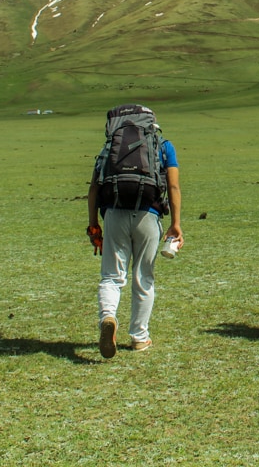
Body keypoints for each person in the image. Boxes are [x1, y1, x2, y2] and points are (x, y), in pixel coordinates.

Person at [87, 112, 183, 359]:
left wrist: (93, 224)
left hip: (115, 214)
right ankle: (139, 337)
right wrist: (176, 224)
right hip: (148, 216)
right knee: (144, 277)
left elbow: (94, 187)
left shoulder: (110, 146)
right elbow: (173, 186)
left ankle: (108, 316)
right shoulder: (163, 145)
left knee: (111, 276)